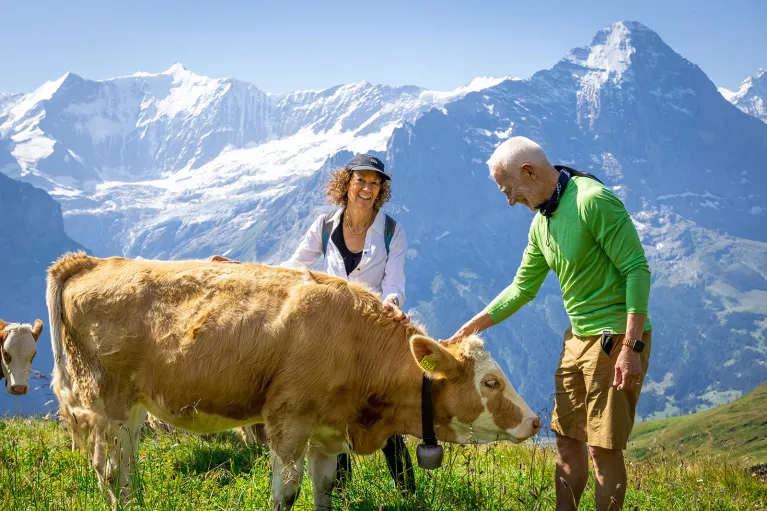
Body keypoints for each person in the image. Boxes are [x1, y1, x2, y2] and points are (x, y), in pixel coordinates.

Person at [443, 137, 652, 511]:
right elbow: (521, 289)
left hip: (616, 337)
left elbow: (636, 270)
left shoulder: (592, 201)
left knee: (602, 450)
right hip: (577, 339)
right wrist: (465, 330)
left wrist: (631, 348)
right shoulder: (542, 223)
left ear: (529, 171)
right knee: (567, 442)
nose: (509, 200)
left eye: (510, 190)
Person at [210, 153, 416, 495]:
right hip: (332, 335)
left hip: (373, 333)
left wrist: (392, 303)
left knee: (383, 414)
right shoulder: (324, 226)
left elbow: (393, 285)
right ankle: (344, 494)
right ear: (346, 184)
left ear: (381, 190)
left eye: (374, 182)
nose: (367, 188)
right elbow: (293, 270)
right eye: (360, 180)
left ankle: (408, 491)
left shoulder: (393, 232)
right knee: (337, 409)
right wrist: (242, 268)